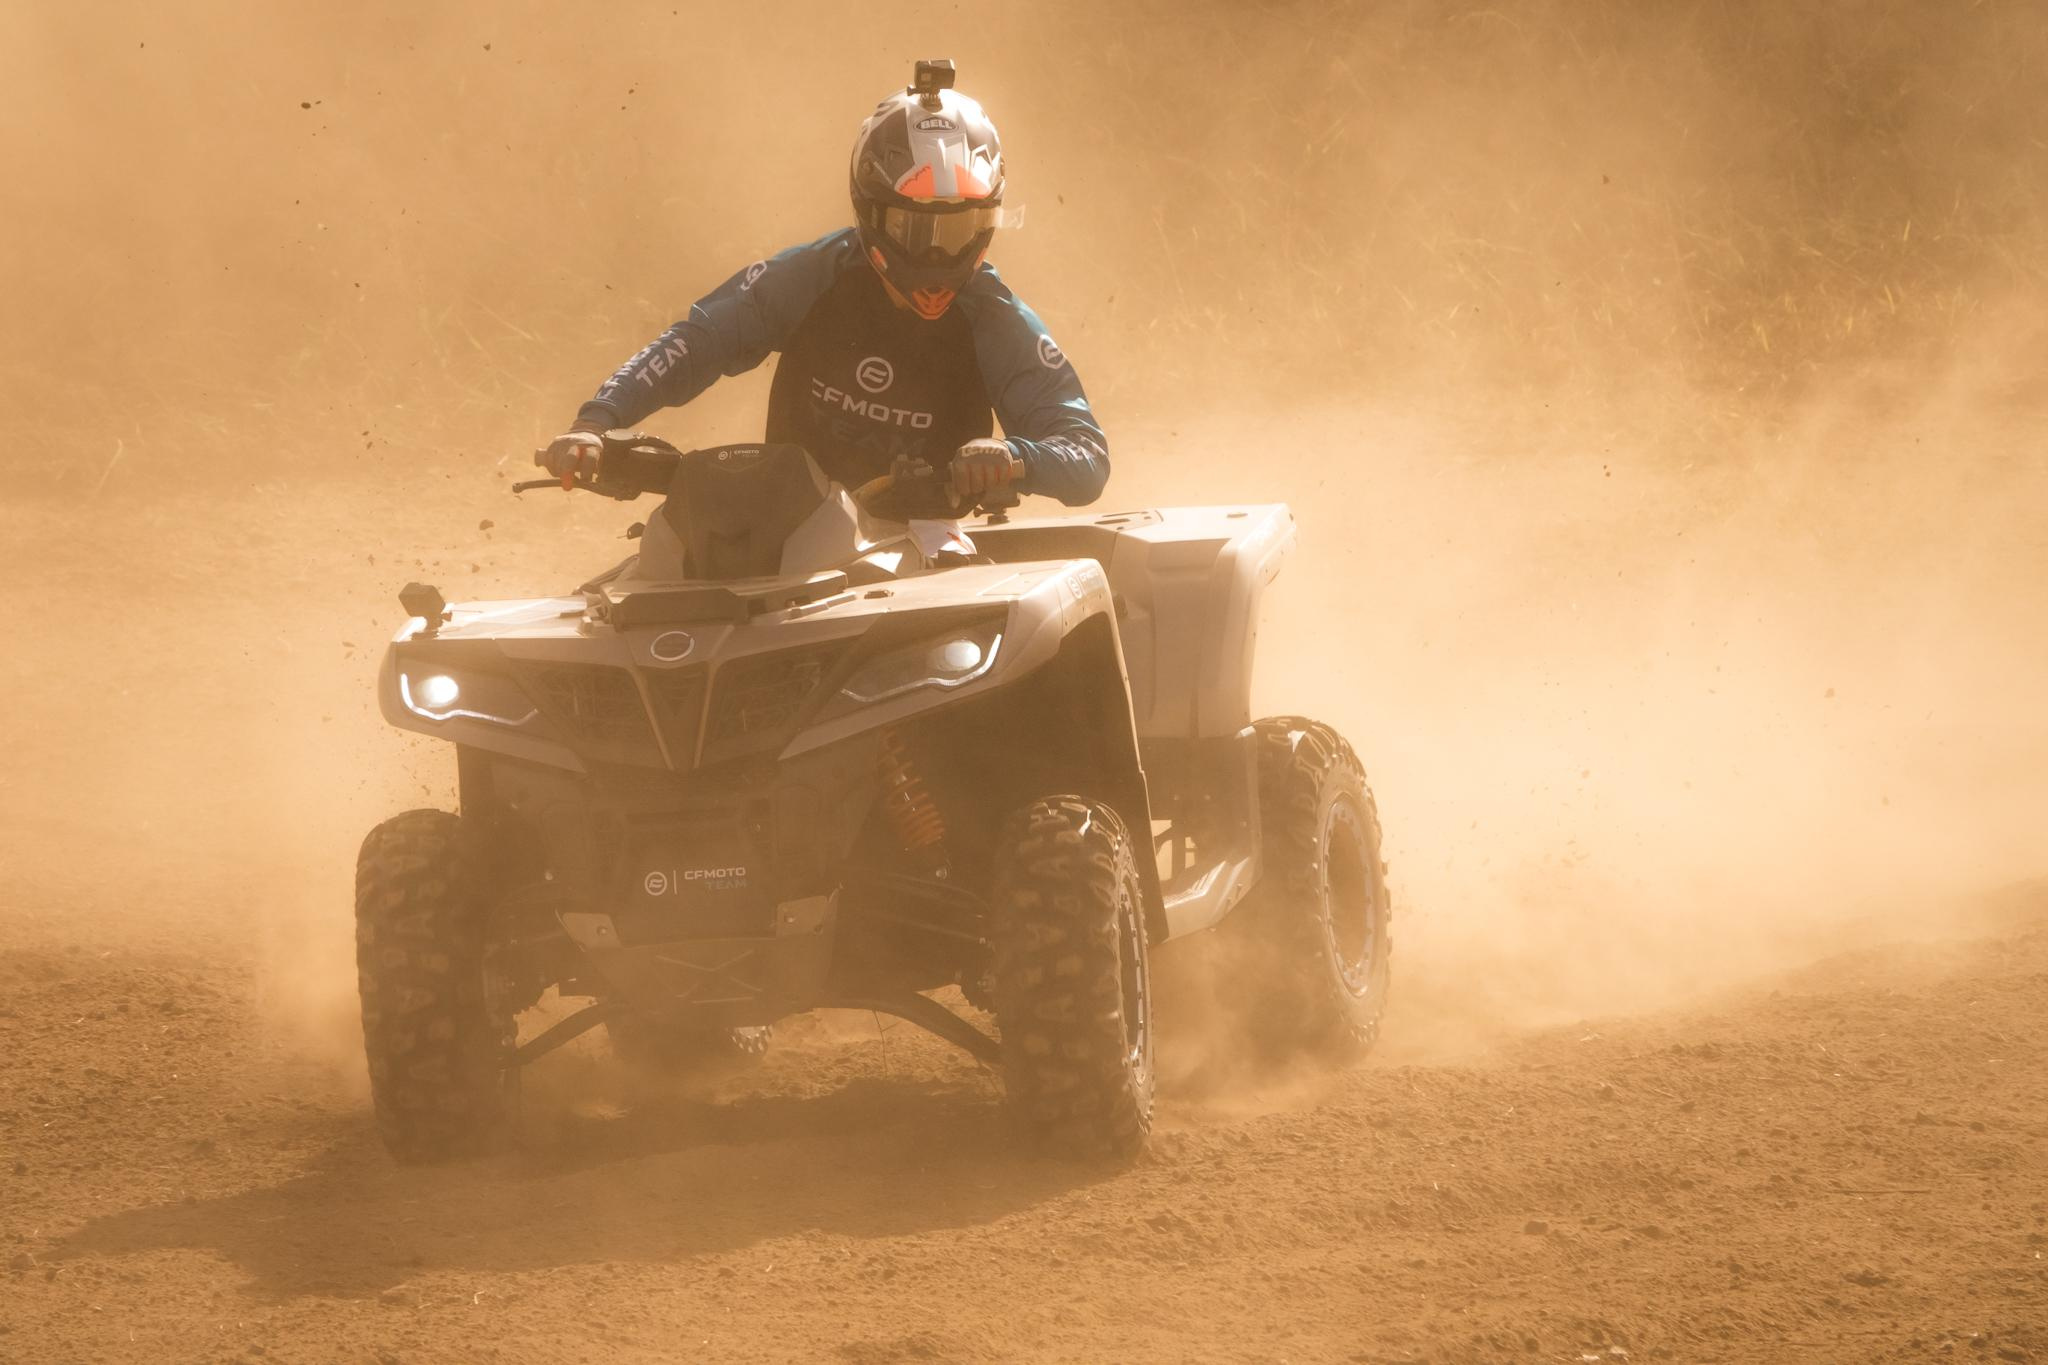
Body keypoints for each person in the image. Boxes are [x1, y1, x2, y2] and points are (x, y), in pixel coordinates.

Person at [540, 59, 1108, 512]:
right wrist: (597, 422)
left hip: (928, 557)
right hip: (780, 532)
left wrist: (1013, 456)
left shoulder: (996, 320)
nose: (937, 257)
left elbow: (1086, 454)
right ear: (870, 211)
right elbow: (698, 341)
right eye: (915, 229)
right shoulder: (813, 275)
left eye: (959, 229)